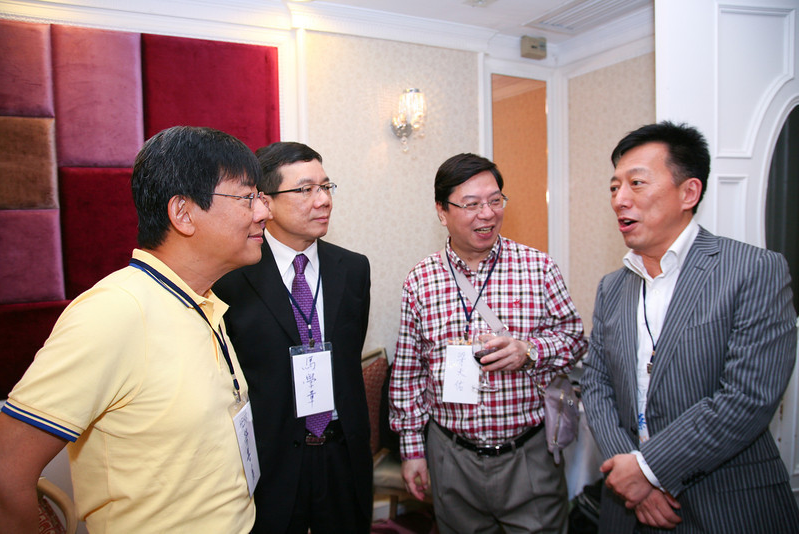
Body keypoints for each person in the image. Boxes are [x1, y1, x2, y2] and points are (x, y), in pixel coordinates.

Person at [0, 126, 270, 533]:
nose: (264, 212)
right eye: (247, 197)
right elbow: (7, 472)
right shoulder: (114, 312)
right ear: (183, 213)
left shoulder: (202, 301)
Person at [581, 121, 799, 533]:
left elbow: (747, 396)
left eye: (636, 183)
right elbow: (596, 383)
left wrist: (648, 469)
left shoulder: (754, 270)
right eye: (614, 187)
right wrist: (631, 477)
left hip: (727, 504)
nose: (619, 200)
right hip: (627, 507)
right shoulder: (613, 286)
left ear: (689, 193)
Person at [389, 153, 588, 533]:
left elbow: (575, 339)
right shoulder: (420, 280)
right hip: (451, 456)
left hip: (528, 455)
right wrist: (412, 449)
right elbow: (409, 372)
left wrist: (530, 351)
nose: (487, 214)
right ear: (442, 211)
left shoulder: (538, 268)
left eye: (495, 201)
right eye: (471, 204)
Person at [213, 141, 372, 534]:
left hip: (341, 454)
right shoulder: (231, 278)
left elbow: (347, 361)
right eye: (305, 189)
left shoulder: (353, 269)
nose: (323, 200)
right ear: (265, 202)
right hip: (271, 460)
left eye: (326, 186)